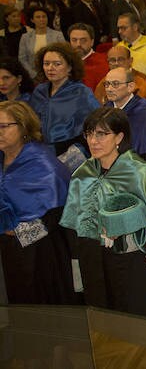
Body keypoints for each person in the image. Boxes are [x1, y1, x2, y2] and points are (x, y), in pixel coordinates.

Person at [59, 107, 146, 317]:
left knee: (130, 314)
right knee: (100, 312)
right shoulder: (82, 173)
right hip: (91, 255)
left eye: (101, 134)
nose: (93, 141)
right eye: (89, 134)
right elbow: (75, 224)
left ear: (119, 137)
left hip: (128, 259)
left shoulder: (140, 172)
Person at [0, 101, 76, 304]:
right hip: (7, 252)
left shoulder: (43, 163)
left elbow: (55, 215)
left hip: (39, 253)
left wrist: (17, 233)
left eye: (4, 126)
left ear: (23, 126)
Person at [28, 42, 100, 155]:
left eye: (57, 64)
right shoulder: (39, 91)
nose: (50, 68)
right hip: (40, 150)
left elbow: (95, 127)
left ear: (70, 67)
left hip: (73, 152)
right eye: (46, 63)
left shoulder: (81, 93)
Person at [103, 67, 146, 158]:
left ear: (131, 87)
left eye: (115, 84)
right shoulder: (105, 110)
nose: (109, 89)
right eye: (107, 84)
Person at [18, 7, 65, 77]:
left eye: (44, 17)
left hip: (55, 73)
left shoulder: (57, 35)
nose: (41, 19)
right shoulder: (25, 37)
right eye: (38, 17)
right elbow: (22, 59)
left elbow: (64, 54)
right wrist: (34, 74)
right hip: (33, 75)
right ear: (32, 20)